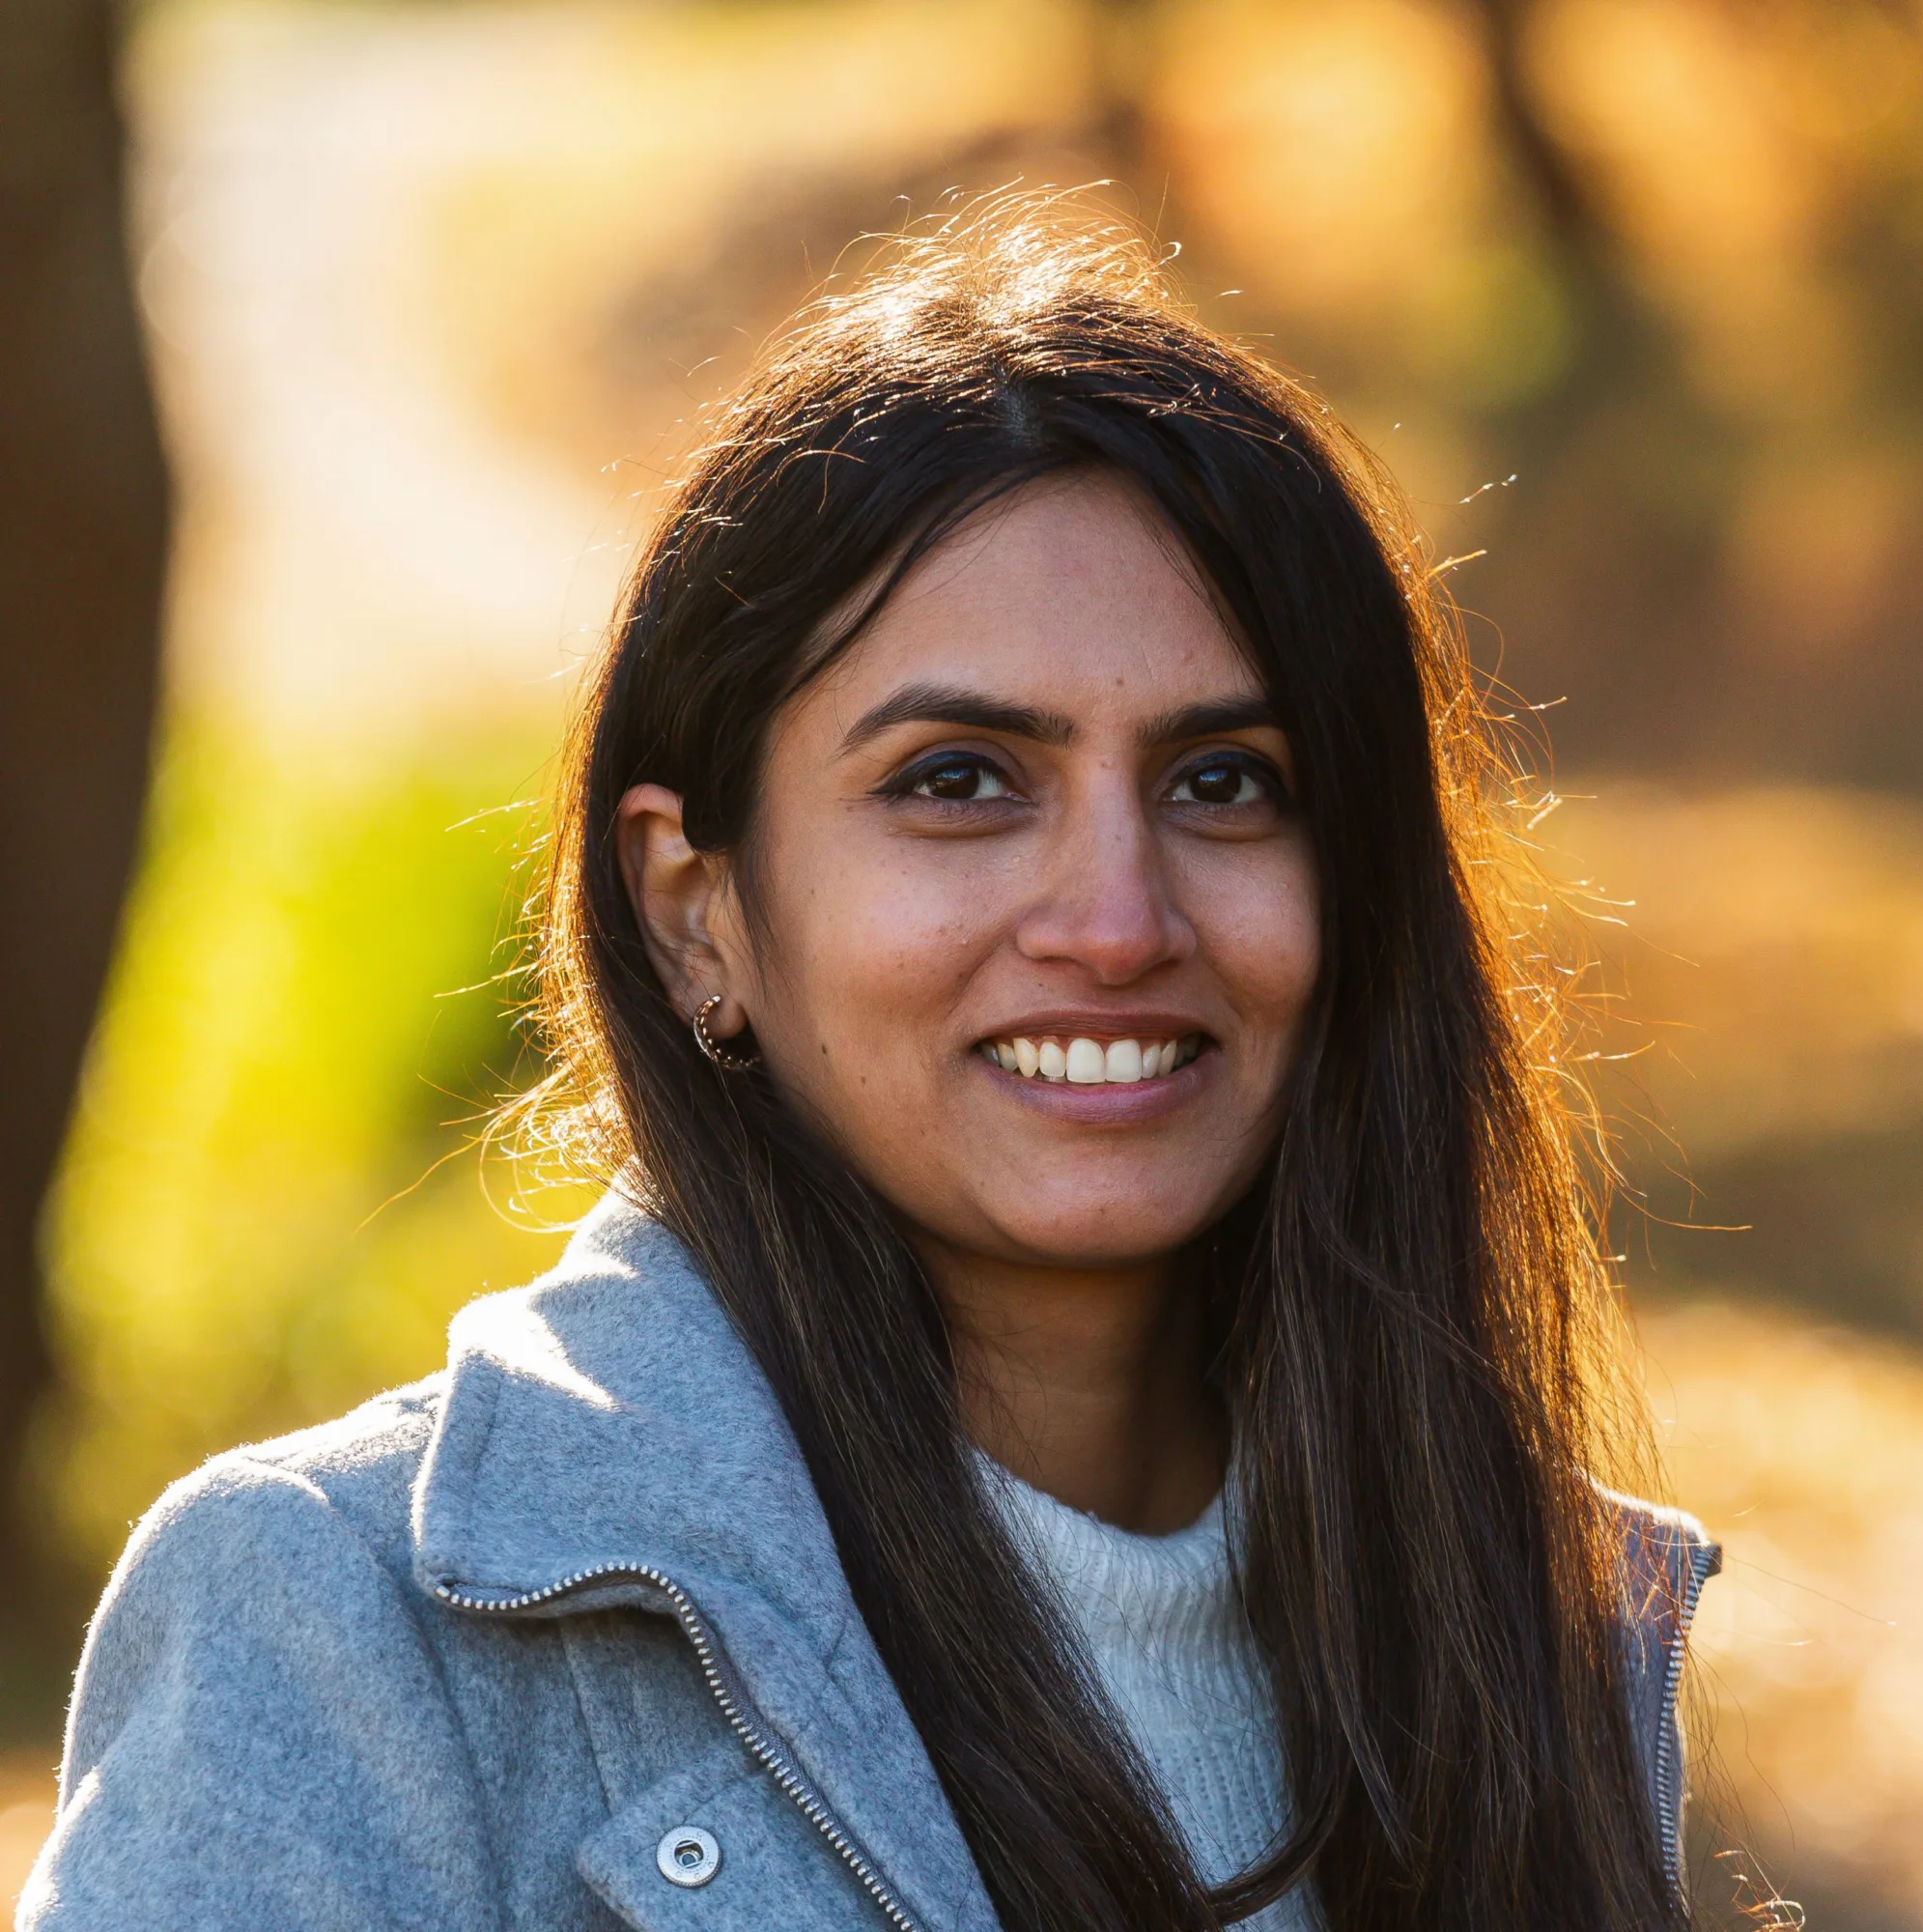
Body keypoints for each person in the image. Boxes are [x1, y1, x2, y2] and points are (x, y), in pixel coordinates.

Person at [22, 205, 1718, 1932]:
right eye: (959, 781)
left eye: (1224, 783)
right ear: (695, 910)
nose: (1116, 921)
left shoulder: (1531, 1638)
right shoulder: (335, 1626)